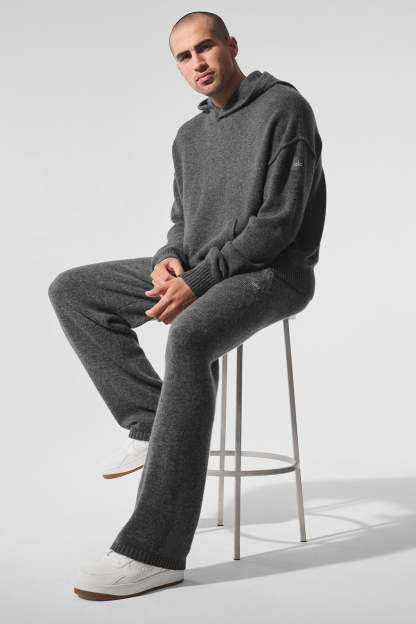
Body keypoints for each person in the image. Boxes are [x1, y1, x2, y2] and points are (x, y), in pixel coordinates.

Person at [48, 10, 326, 600]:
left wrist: (198, 282)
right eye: (183, 56)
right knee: (74, 290)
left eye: (206, 47)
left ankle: (154, 551)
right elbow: (182, 222)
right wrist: (168, 259)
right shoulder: (188, 136)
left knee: (190, 335)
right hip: (206, 268)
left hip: (273, 273)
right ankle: (152, 420)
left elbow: (278, 225)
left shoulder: (284, 108)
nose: (198, 62)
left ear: (231, 45)